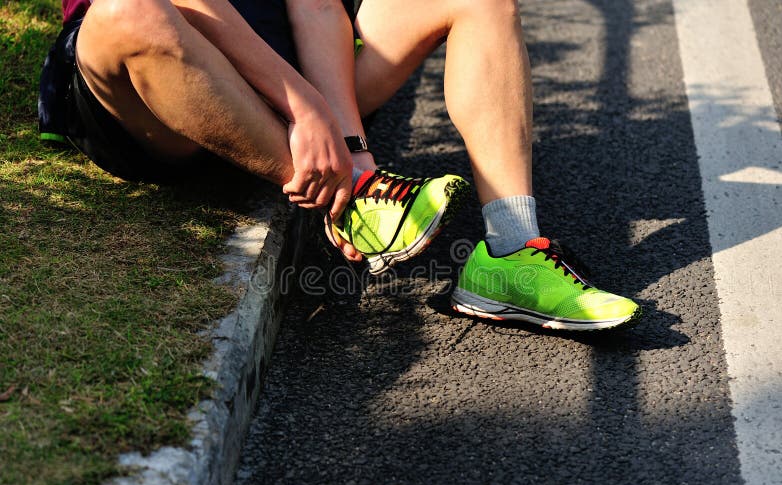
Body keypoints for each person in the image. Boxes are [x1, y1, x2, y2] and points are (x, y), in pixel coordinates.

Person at [40, 0, 640, 331]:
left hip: (282, 70)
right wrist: (303, 106)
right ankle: (354, 198)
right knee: (129, 9)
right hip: (156, 87)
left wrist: (347, 138)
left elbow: (320, 7)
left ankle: (511, 253)